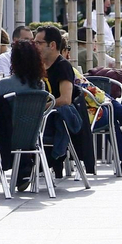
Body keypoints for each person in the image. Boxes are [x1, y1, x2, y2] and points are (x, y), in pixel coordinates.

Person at [0, 37, 48, 194]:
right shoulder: (40, 85)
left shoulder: (4, 84)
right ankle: (23, 173)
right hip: (32, 138)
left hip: (4, 137)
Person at [34, 25, 93, 175]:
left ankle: (35, 165)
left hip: (54, 118)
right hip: (42, 118)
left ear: (52, 45)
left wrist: (39, 108)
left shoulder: (62, 66)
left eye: (38, 43)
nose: (35, 46)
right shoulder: (37, 66)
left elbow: (65, 99)